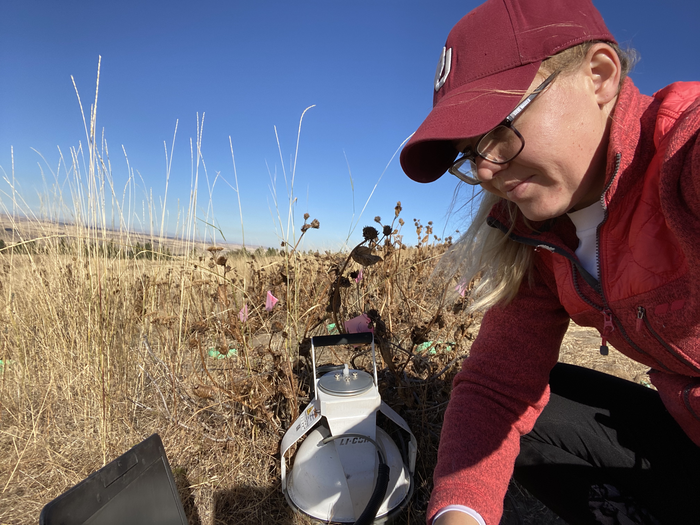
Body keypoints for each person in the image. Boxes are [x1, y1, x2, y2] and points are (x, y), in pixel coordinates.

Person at [399, 0, 700, 524]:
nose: (488, 170)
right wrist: (458, 513)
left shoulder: (683, 160)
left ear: (599, 76)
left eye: (499, 129)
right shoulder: (539, 235)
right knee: (528, 414)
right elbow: (497, 387)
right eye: (470, 152)